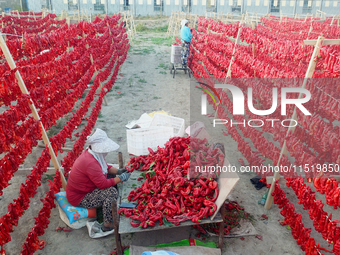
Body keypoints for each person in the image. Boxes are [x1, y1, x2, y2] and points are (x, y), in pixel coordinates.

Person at [66, 128, 130, 232]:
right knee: (111, 192)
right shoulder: (90, 162)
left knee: (110, 179)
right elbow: (102, 184)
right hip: (79, 197)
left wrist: (118, 172)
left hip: (83, 189)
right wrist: (120, 178)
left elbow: (105, 167)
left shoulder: (92, 154)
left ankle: (108, 212)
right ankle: (107, 225)